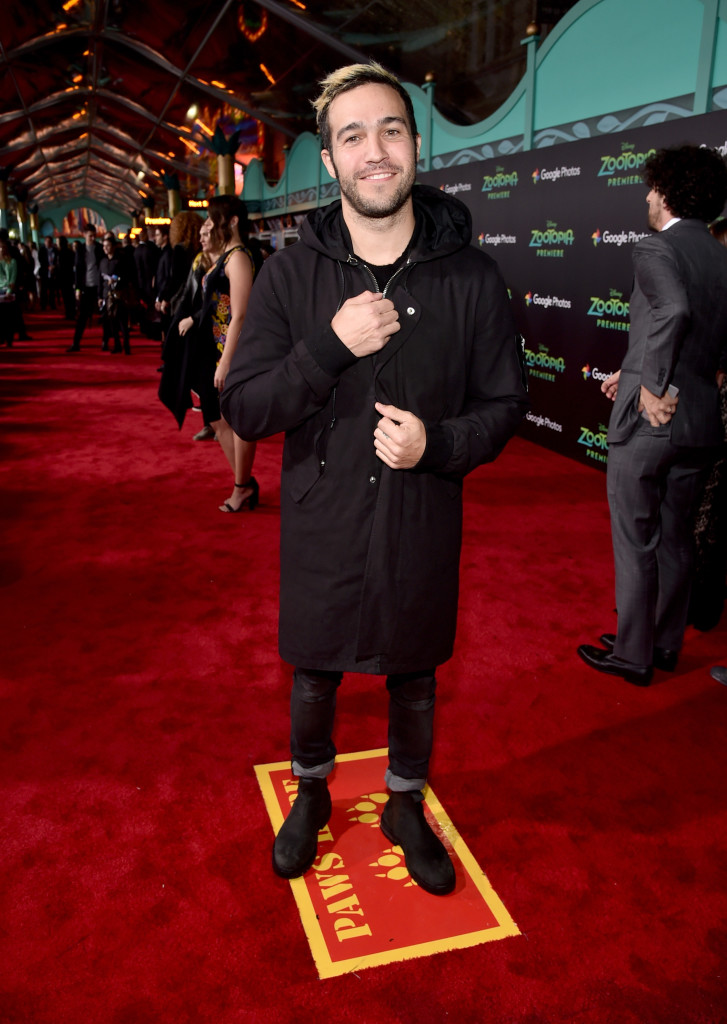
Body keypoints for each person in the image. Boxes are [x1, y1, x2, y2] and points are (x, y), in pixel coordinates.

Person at [221, 62, 528, 894]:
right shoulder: (290, 276)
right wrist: (327, 347)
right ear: (330, 160)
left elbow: (504, 405)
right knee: (314, 669)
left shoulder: (472, 277)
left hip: (422, 515)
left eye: (390, 129)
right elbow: (245, 407)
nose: (375, 151)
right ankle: (310, 791)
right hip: (322, 519)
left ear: (415, 144)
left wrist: (438, 443)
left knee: (415, 672)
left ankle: (402, 803)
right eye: (352, 135)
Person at [578, 145, 727, 687]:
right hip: (703, 423)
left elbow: (673, 311)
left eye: (650, 188)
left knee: (635, 538)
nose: (645, 196)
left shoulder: (654, 248)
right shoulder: (720, 255)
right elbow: (703, 340)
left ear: (665, 193)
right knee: (677, 538)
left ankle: (633, 656)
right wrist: (638, 376)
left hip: (653, 424)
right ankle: (664, 644)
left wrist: (653, 386)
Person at [178, 196, 258, 511]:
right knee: (217, 417)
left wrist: (226, 360)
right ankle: (244, 482)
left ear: (233, 221)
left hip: (232, 351)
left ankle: (242, 486)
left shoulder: (238, 257)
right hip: (214, 349)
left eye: (214, 219)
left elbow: (240, 314)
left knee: (237, 420)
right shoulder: (224, 256)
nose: (210, 224)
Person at [68, 224, 104, 352]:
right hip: (86, 286)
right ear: (84, 235)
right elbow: (78, 270)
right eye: (90, 236)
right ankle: (76, 343)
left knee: (104, 315)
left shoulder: (100, 248)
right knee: (82, 316)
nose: (93, 238)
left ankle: (105, 341)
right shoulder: (80, 250)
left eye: (94, 236)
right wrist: (78, 289)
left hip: (99, 286)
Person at [98, 233, 131, 354]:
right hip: (107, 295)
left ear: (113, 246)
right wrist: (100, 296)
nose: (105, 248)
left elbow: (127, 276)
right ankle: (117, 345)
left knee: (122, 321)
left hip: (120, 294)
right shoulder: (102, 262)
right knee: (112, 321)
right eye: (104, 246)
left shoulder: (120, 260)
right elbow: (100, 280)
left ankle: (126, 346)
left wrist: (116, 279)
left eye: (107, 246)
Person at [0, 237, 17, 346]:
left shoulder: (11, 262)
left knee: (7, 318)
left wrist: (9, 291)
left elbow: (12, 277)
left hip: (6, 290)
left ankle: (9, 338)